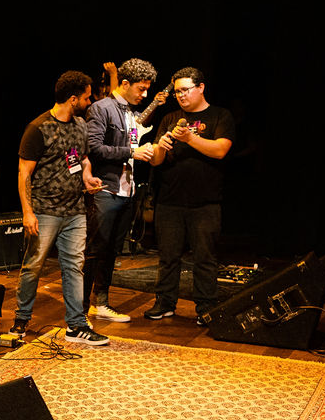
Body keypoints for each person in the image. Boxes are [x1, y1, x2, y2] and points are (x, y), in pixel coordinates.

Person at [9, 71, 109, 345]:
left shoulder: (80, 125)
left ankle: (76, 325)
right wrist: (28, 212)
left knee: (74, 267)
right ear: (73, 99)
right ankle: (21, 319)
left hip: (75, 210)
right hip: (44, 211)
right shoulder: (38, 128)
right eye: (87, 97)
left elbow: (82, 158)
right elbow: (23, 173)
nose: (90, 102)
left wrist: (88, 177)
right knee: (33, 266)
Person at [144, 67, 235, 324]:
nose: (181, 96)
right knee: (168, 257)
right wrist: (160, 148)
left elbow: (220, 150)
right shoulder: (170, 118)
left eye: (185, 90)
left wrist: (190, 139)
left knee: (205, 258)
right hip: (170, 200)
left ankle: (206, 307)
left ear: (201, 87)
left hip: (205, 202)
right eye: (177, 92)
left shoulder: (220, 116)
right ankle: (164, 302)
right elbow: (156, 161)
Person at [83, 58, 159, 322]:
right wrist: (131, 152)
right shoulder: (101, 108)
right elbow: (93, 147)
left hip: (127, 191)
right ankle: (80, 310)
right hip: (105, 189)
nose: (145, 94)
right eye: (141, 88)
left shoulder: (129, 112)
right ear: (125, 83)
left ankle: (100, 303)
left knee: (112, 250)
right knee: (95, 250)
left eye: (147, 89)